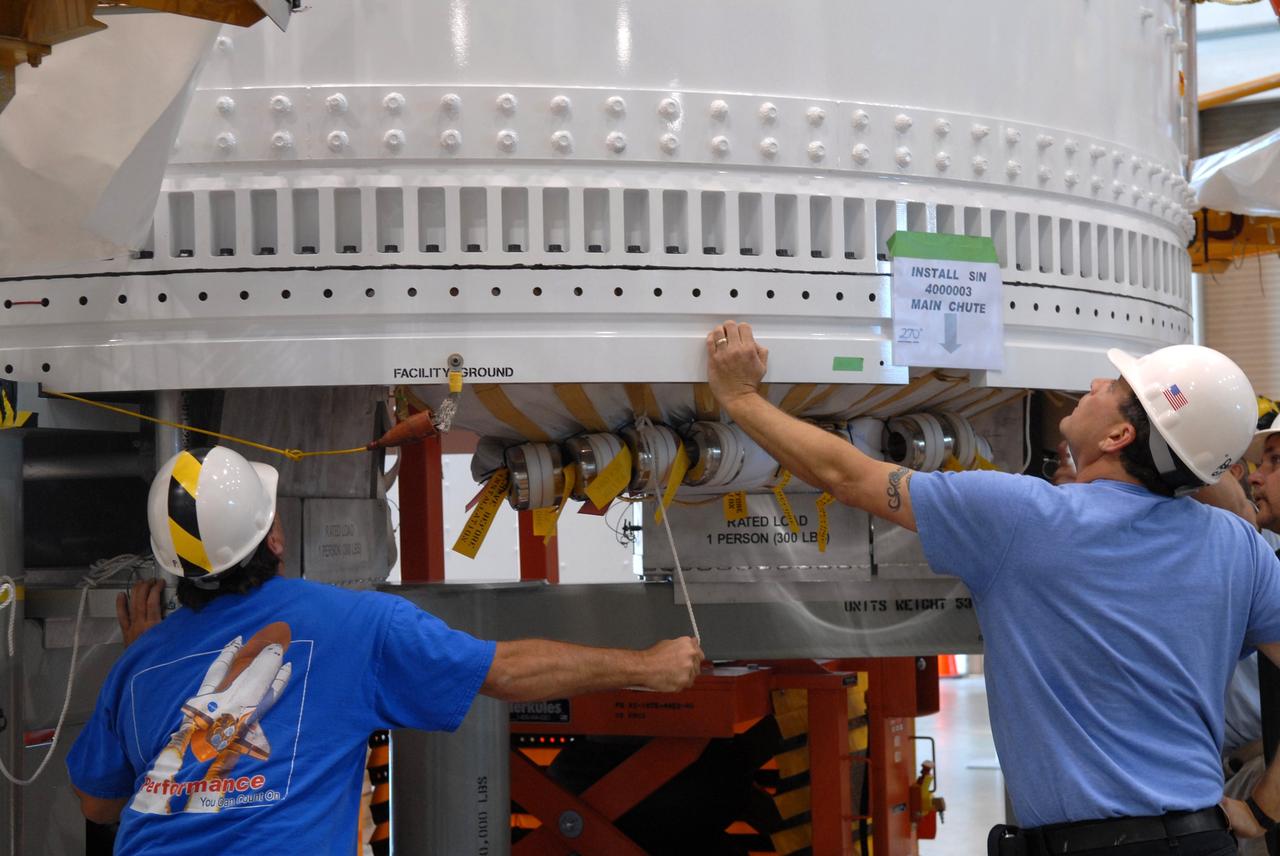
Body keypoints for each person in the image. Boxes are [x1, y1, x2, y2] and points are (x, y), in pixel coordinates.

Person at [705, 319, 1280, 855]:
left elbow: (847, 475)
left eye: (1116, 384)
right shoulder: (1241, 548)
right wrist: (1263, 810)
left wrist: (741, 399)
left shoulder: (1022, 518)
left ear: (1119, 434)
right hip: (1205, 838)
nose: (1096, 381)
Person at [67, 445, 703, 852]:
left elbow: (99, 804)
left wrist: (144, 672)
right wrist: (646, 666)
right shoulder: (356, 624)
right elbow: (505, 671)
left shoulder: (140, 661)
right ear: (276, 538)